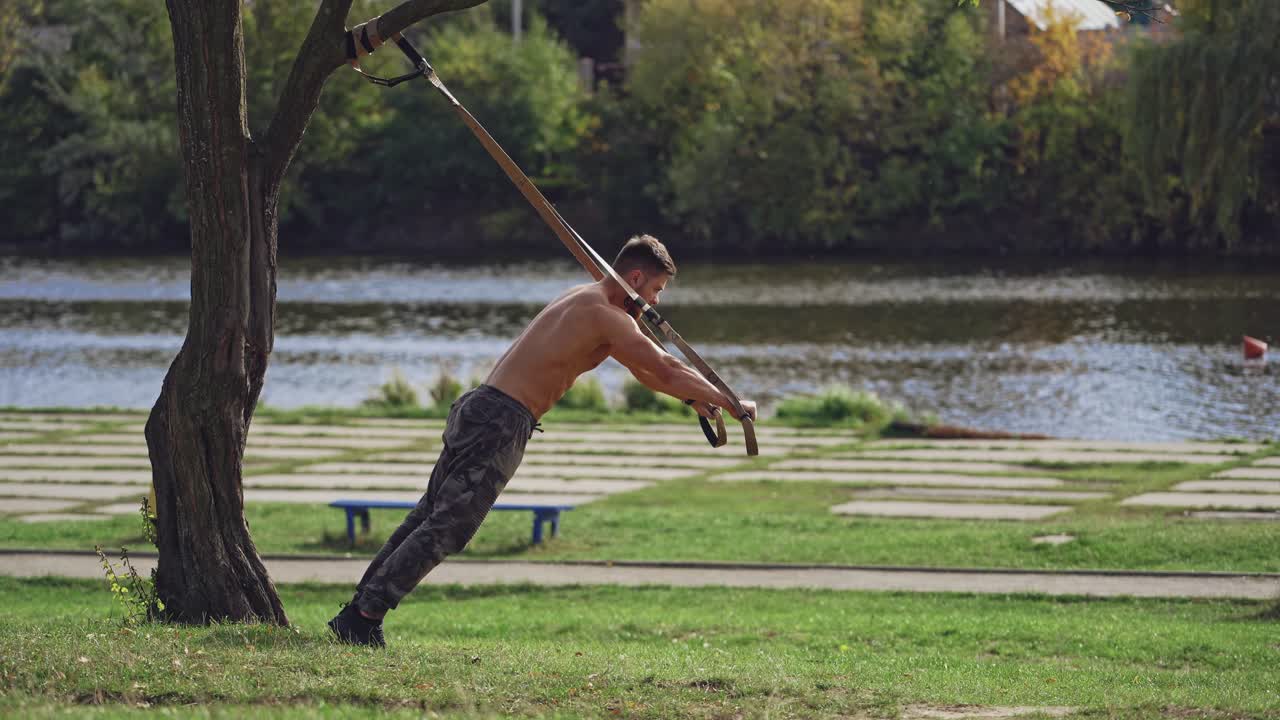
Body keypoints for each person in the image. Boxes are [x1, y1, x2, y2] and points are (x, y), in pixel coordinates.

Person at [328, 234, 756, 646]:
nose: (656, 302)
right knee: (447, 526)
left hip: (479, 407)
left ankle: (358, 613)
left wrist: (693, 398)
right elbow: (662, 365)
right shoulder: (607, 315)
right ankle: (363, 617)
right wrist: (730, 401)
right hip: (501, 421)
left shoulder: (584, 298)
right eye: (657, 289)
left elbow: (646, 370)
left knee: (428, 516)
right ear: (638, 278)